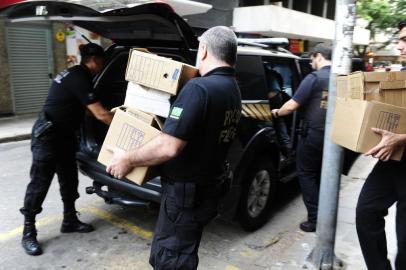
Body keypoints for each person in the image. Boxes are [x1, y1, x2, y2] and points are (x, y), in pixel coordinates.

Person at [106, 26, 241, 270]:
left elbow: (169, 147)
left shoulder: (199, 88)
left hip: (185, 197)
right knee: (183, 251)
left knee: (172, 259)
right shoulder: (232, 89)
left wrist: (127, 159)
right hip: (207, 189)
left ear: (204, 50)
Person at [20, 43, 113, 256]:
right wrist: (127, 127)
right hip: (48, 136)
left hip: (64, 135)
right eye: (103, 61)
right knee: (39, 184)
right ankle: (28, 232)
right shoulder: (80, 77)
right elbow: (101, 114)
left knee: (69, 179)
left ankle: (69, 220)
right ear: (96, 61)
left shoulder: (76, 73)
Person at [356, 20, 406, 270]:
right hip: (395, 162)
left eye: (405, 40)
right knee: (365, 212)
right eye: (399, 40)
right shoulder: (403, 74)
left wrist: (400, 138)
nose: (399, 46)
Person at [271, 43, 331, 232]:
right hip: (332, 137)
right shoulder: (340, 77)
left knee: (305, 173)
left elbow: (291, 106)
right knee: (322, 176)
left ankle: (314, 219)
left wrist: (276, 112)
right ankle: (324, 213)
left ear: (318, 56)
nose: (311, 62)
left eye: (312, 58)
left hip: (312, 135)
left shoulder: (314, 78)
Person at [266, 67, 292, 158]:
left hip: (273, 103)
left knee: (278, 125)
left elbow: (274, 92)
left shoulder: (269, 74)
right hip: (272, 102)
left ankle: (286, 152)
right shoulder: (270, 73)